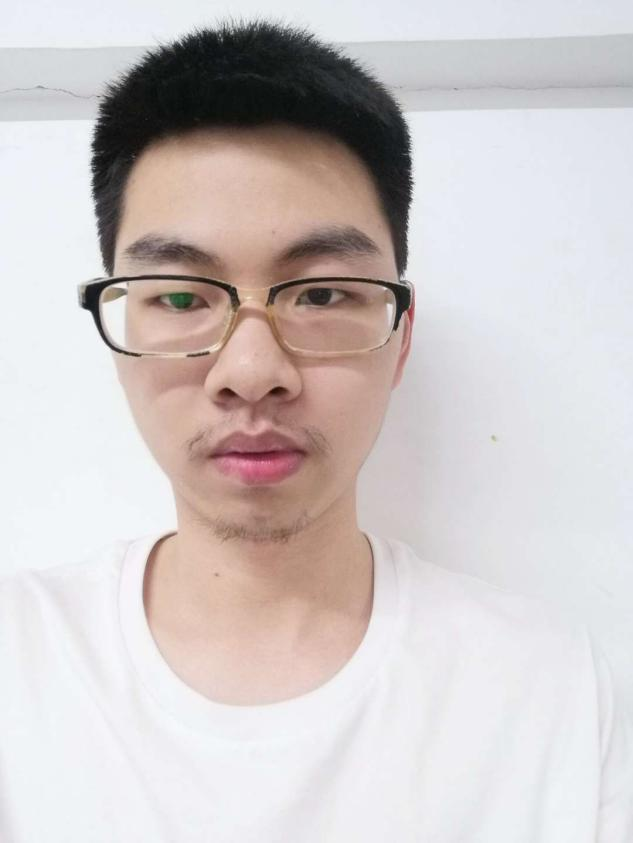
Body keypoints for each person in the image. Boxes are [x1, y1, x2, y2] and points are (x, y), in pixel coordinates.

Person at [1, 18, 631, 842]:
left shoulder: (546, 689)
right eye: (182, 297)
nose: (250, 370)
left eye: (322, 294)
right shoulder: (21, 666)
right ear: (120, 332)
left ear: (399, 336)